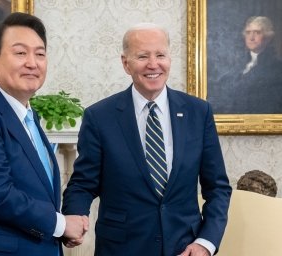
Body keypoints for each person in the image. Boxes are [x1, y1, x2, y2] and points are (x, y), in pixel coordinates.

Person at [62, 23, 232, 256]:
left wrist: (206, 242)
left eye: (160, 55)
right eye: (142, 56)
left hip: (184, 248)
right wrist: (73, 216)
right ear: (125, 63)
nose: (153, 64)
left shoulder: (198, 112)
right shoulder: (99, 116)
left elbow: (218, 188)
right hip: (120, 249)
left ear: (169, 59)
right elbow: (83, 182)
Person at [0, 12, 87, 256]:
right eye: (20, 53)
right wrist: (62, 225)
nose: (32, 62)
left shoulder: (29, 116)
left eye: (40, 54)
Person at [208, 16, 282, 114]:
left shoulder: (277, 68)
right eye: (248, 32)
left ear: (268, 37)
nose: (251, 37)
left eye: (257, 32)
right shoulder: (237, 65)